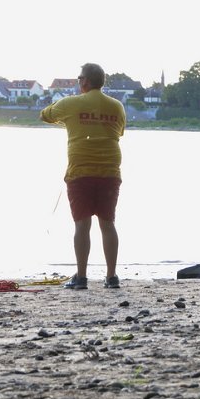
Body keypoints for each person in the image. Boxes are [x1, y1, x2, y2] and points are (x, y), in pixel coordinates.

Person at [40, 63, 126, 290]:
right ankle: (111, 277)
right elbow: (118, 132)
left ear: (85, 81)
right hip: (109, 170)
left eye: (79, 78)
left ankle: (81, 277)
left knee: (82, 225)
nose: (78, 82)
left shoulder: (70, 103)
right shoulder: (117, 106)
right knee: (108, 223)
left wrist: (69, 118)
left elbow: (45, 115)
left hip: (81, 172)